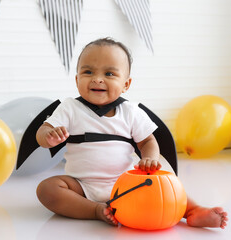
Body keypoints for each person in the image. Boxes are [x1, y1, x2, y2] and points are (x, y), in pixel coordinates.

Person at [35, 37, 228, 229]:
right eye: (88, 71)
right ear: (77, 79)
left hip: (128, 183)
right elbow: (42, 133)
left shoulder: (131, 111)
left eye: (109, 73)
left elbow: (147, 141)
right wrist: (48, 136)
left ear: (126, 84)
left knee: (167, 183)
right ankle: (94, 209)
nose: (97, 78)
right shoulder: (70, 107)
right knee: (47, 189)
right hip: (80, 185)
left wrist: (149, 159)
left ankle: (194, 210)